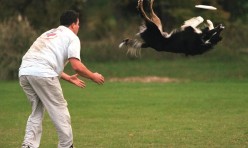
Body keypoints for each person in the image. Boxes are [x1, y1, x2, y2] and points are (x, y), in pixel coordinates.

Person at [19, 10, 104, 148]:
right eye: (78, 24)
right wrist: (93, 76)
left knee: (37, 111)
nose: (78, 27)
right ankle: (66, 145)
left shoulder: (49, 33)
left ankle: (28, 145)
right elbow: (77, 66)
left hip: (25, 72)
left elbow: (43, 60)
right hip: (43, 73)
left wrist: (67, 77)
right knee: (59, 109)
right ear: (72, 24)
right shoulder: (72, 37)